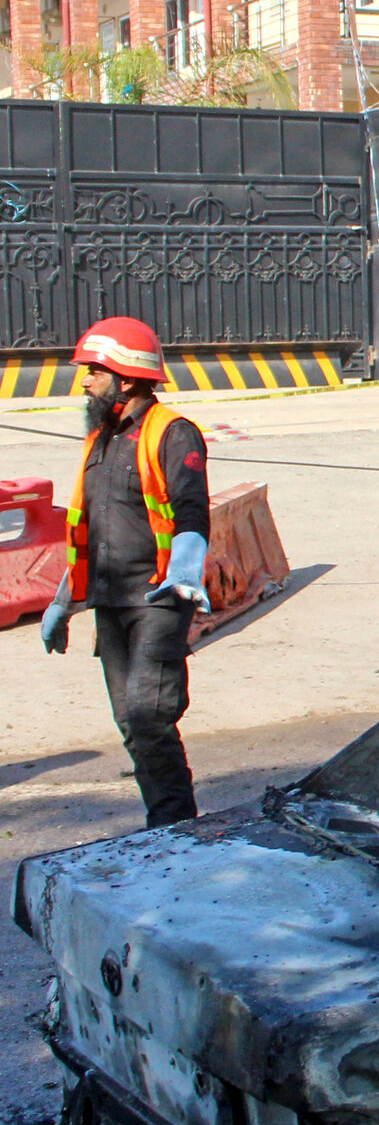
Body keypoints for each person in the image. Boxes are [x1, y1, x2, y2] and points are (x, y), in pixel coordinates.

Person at [39, 319, 212, 827]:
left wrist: (185, 571)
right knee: (132, 724)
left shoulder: (172, 432)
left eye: (95, 370)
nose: (86, 381)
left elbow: (191, 511)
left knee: (147, 712)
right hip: (110, 602)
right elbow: (86, 528)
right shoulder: (99, 440)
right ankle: (167, 824)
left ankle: (175, 828)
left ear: (129, 378)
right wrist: (63, 601)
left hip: (159, 598)